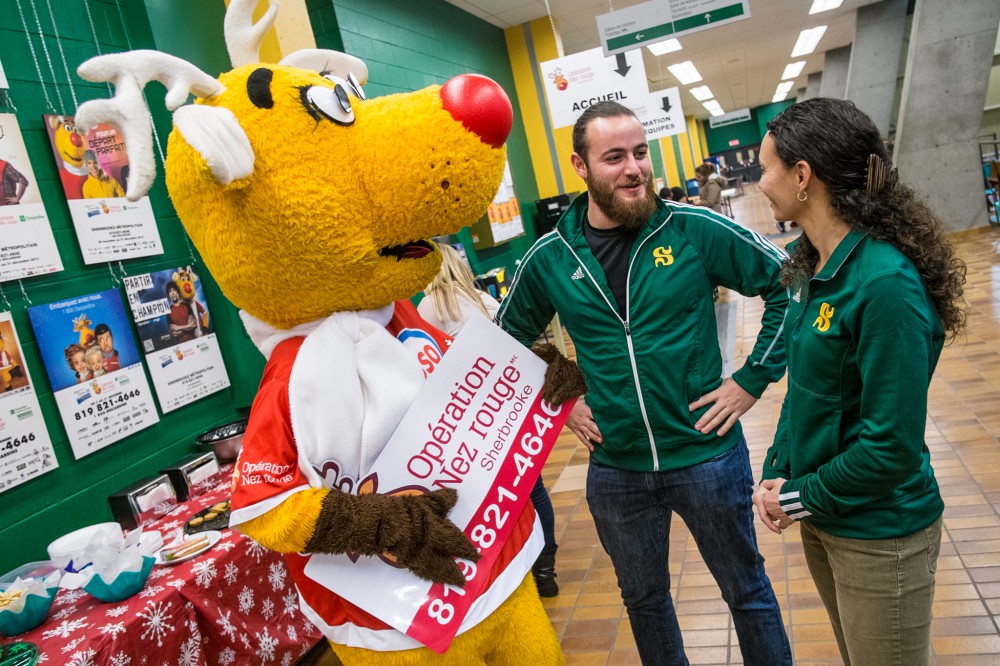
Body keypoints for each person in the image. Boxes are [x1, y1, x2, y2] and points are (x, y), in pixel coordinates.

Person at [496, 100, 792, 666]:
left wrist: (751, 379)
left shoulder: (694, 231)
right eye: (614, 157)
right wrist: (565, 397)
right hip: (617, 471)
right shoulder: (551, 257)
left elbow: (789, 287)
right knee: (643, 601)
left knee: (747, 592)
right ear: (581, 168)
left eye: (639, 153)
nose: (634, 168)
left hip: (707, 456)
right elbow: (505, 340)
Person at [752, 98, 967, 666]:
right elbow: (804, 394)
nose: (758, 183)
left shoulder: (884, 283)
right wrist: (778, 472)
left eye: (765, 167)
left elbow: (890, 447)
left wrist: (799, 495)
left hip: (881, 530)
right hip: (825, 517)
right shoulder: (811, 265)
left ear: (803, 177)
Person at [417, 244, 562, 597]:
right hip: (508, 406)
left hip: (468, 417)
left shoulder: (429, 307)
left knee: (488, 497)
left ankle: (510, 570)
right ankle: (546, 568)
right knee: (532, 487)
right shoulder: (484, 299)